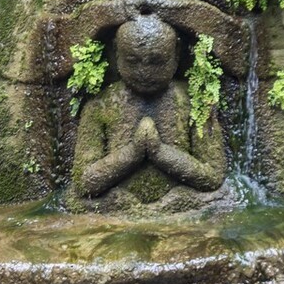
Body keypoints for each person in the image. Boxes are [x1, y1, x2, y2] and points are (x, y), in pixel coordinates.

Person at [71, 14, 224, 212]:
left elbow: (213, 176)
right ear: (116, 52)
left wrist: (160, 152)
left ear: (176, 53)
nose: (144, 72)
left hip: (179, 208)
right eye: (132, 61)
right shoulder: (100, 106)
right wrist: (133, 152)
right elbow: (84, 183)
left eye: (156, 61)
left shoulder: (195, 102)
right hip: (118, 209)